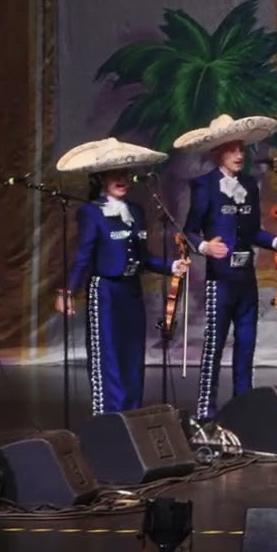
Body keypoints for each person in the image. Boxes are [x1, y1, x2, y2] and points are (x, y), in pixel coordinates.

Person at [54, 138, 189, 414]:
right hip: (106, 292)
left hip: (131, 291)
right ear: (101, 178)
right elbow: (83, 256)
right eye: (114, 173)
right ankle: (109, 415)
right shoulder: (91, 213)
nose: (122, 178)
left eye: (125, 172)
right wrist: (68, 291)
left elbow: (144, 257)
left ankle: (131, 413)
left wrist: (171, 266)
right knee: (109, 354)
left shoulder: (136, 211)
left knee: (132, 353)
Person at [173, 114, 277, 422]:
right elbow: (190, 230)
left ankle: (244, 405)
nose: (239, 155)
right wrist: (204, 247)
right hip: (221, 279)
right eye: (232, 149)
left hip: (245, 277)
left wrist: (275, 241)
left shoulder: (249, 185)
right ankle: (206, 409)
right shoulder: (204, 185)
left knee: (247, 343)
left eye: (241, 148)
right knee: (214, 343)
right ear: (218, 153)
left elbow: (253, 231)